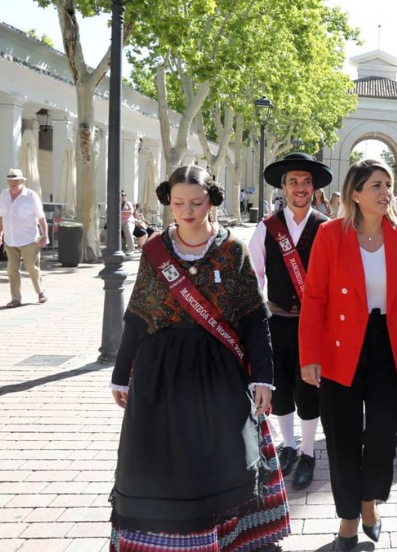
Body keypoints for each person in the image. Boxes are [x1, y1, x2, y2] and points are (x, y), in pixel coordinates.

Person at [109, 165, 289, 552]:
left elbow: (255, 320)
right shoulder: (155, 252)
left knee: (221, 461)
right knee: (159, 463)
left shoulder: (231, 251)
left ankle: (224, 539)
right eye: (178, 203)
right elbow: (137, 316)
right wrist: (121, 374)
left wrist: (263, 377)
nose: (187, 210)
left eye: (196, 202)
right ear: (168, 204)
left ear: (211, 202)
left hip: (219, 375)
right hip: (160, 377)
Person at [299, 158, 397, 551]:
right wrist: (310, 355)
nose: (385, 192)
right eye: (376, 185)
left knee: (383, 435)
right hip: (341, 346)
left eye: (387, 184)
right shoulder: (329, 234)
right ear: (354, 193)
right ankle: (349, 518)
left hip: (389, 345)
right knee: (342, 438)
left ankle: (369, 500)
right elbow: (316, 297)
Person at [248, 152, 332, 489]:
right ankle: (288, 445)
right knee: (280, 386)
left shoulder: (327, 228)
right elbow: (253, 277)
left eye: (306, 182)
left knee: (309, 387)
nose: (300, 187)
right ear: (283, 187)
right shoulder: (266, 228)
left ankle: (308, 452)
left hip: (315, 326)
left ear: (314, 188)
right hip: (277, 322)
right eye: (294, 181)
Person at [0, 168, 48, 308]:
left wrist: (45, 235)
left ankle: (40, 291)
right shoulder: (3, 195)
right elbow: (1, 216)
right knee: (12, 270)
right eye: (11, 180)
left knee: (32, 267)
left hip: (29, 239)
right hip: (10, 240)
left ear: (22, 181)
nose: (13, 183)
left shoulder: (31, 195)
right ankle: (15, 298)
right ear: (7, 181)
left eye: (16, 180)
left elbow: (41, 218)